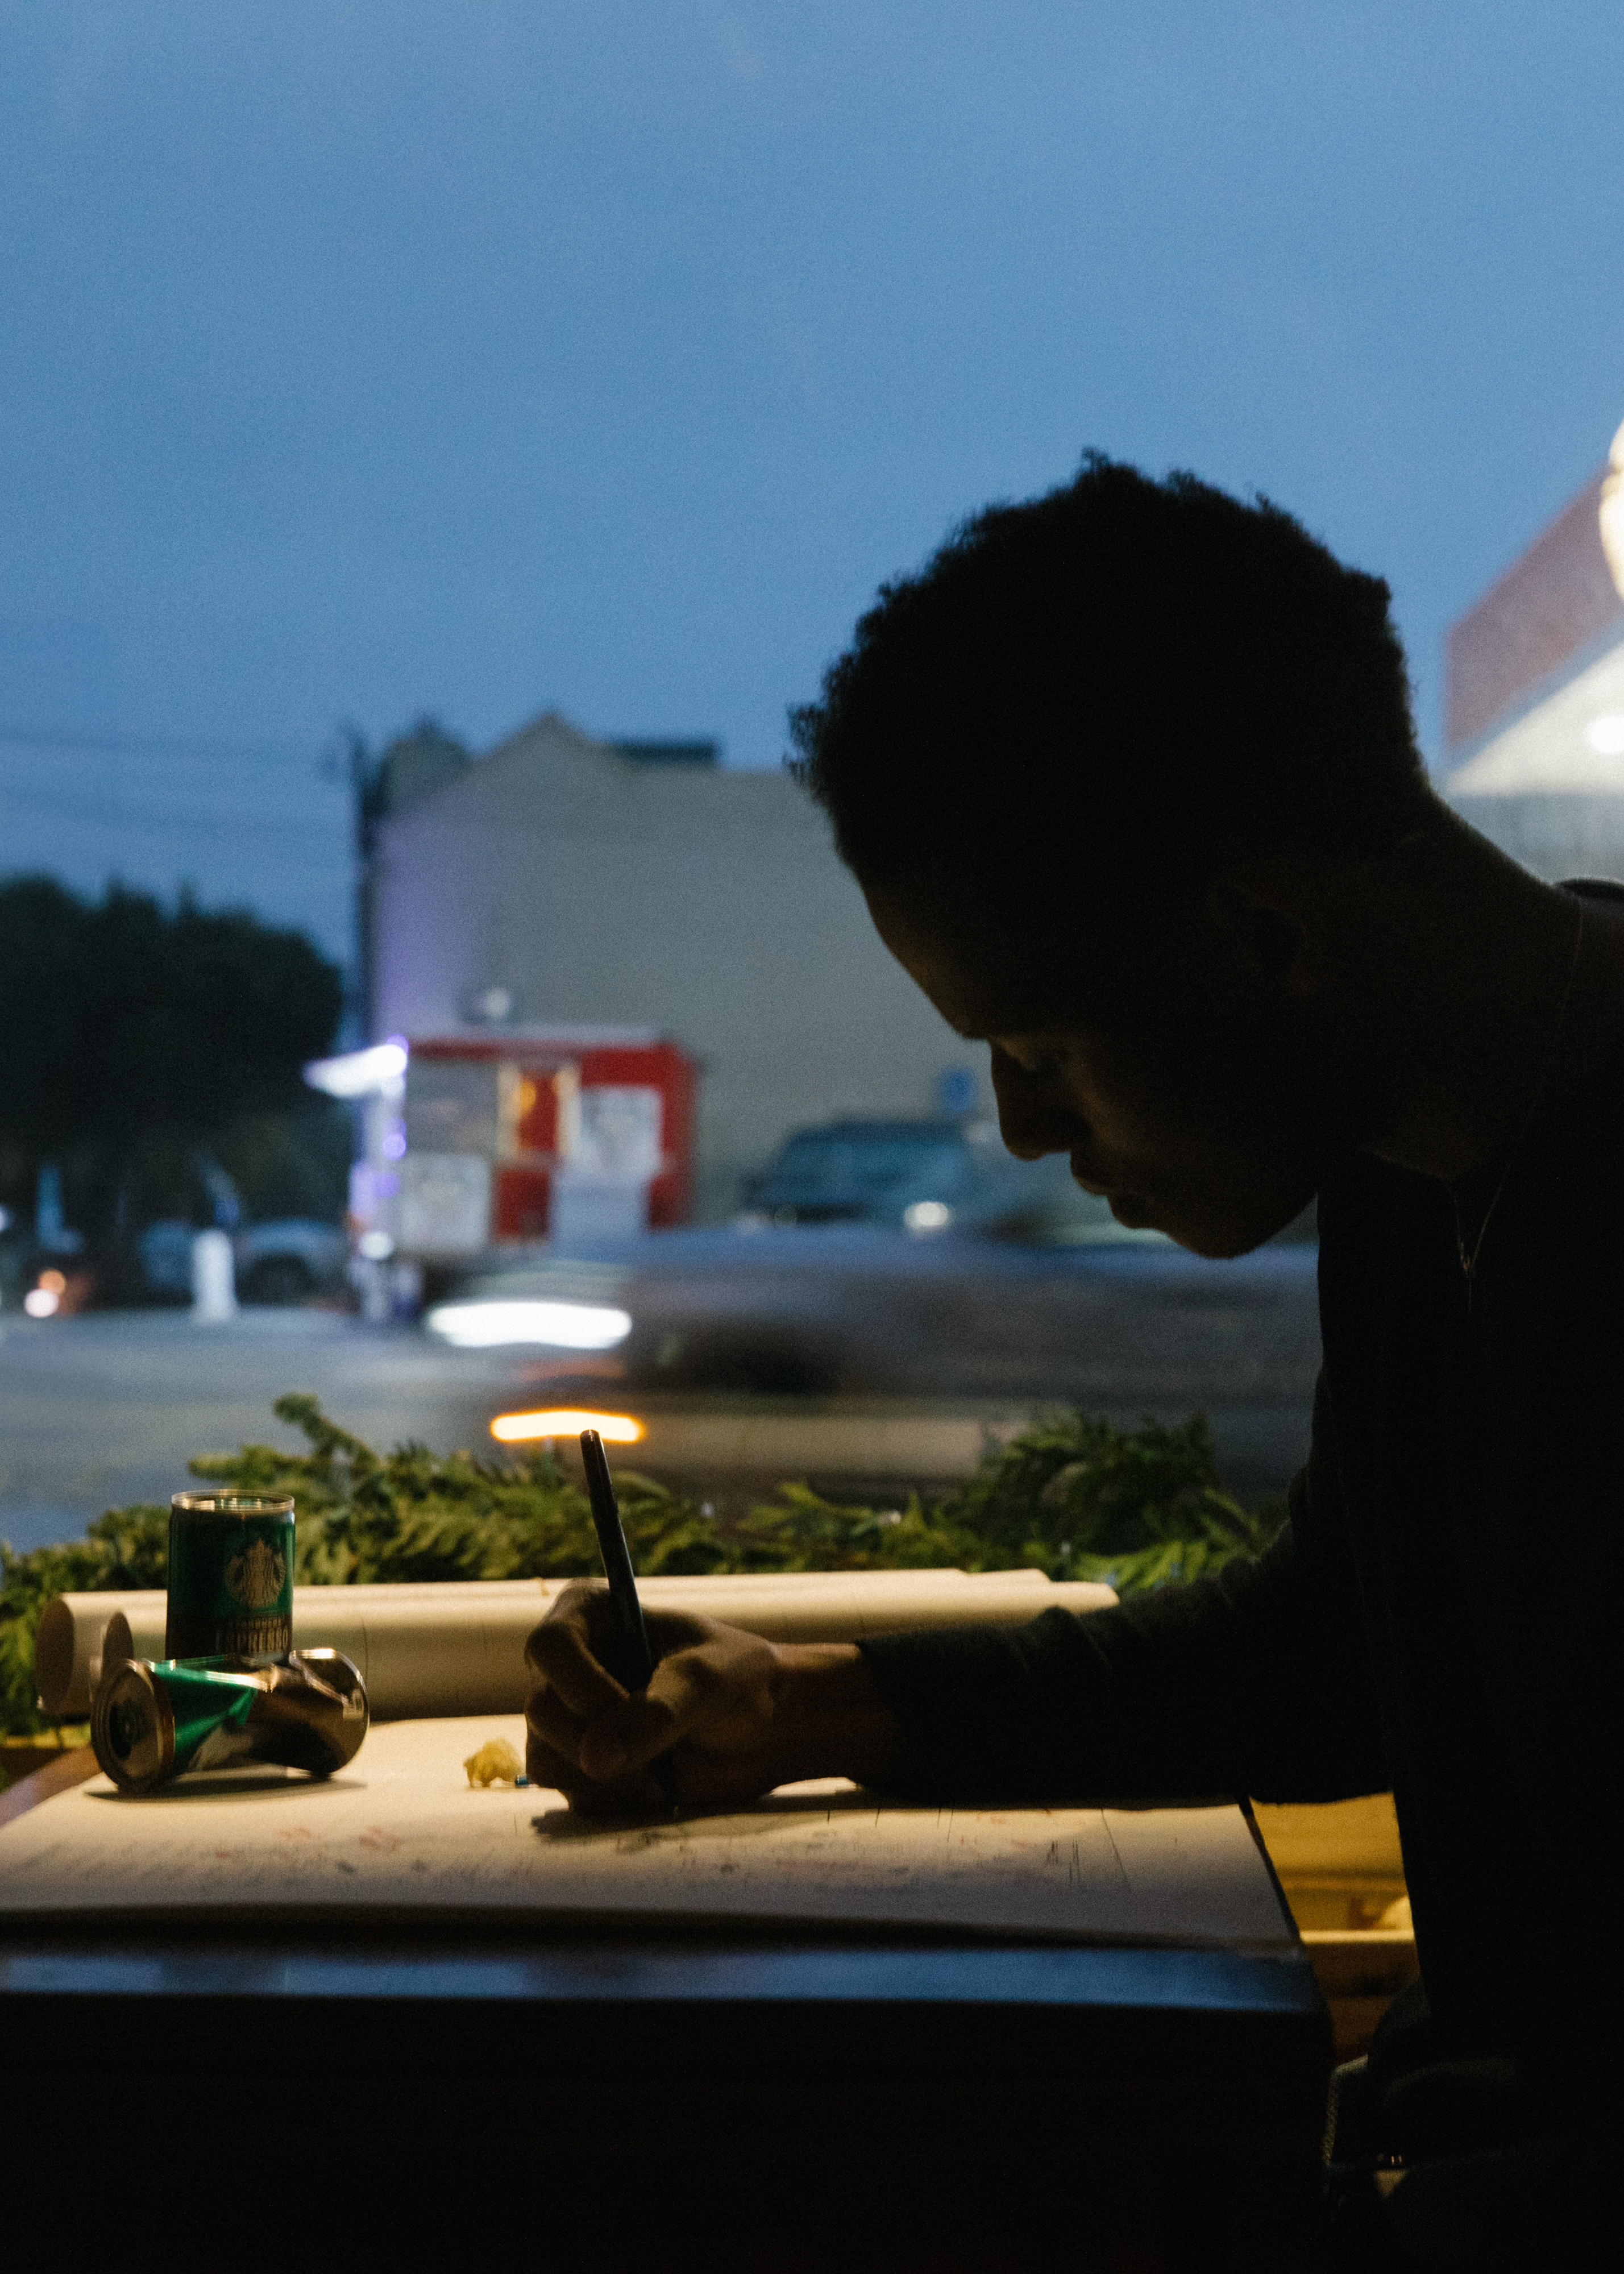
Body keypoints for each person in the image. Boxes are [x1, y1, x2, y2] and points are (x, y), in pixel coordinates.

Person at [526, 457, 1619, 2263]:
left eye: (1036, 1041)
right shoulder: (1413, 1177)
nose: (1022, 1133)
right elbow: (1335, 1642)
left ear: (1264, 936)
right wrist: (797, 1703)